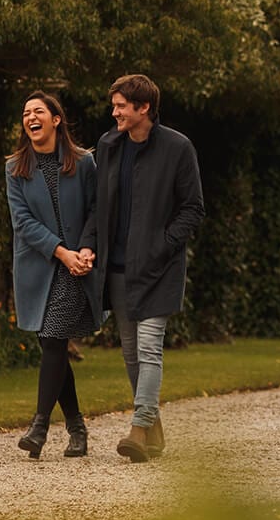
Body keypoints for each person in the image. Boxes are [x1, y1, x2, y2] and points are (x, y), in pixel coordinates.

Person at [78, 73, 204, 463]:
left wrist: (161, 246)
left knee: (150, 350)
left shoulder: (177, 148)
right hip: (116, 269)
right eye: (114, 105)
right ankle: (154, 429)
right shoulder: (109, 145)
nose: (113, 111)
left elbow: (193, 210)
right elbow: (100, 204)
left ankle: (138, 428)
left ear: (143, 107)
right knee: (131, 354)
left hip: (158, 269)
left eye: (120, 105)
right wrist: (88, 242)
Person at [5, 89, 103, 459]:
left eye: (38, 111)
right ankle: (76, 427)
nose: (30, 117)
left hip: (78, 267)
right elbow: (22, 222)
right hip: (40, 266)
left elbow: (97, 210)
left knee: (53, 339)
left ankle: (40, 426)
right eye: (25, 112)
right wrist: (61, 251)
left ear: (55, 119)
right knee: (53, 344)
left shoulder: (83, 162)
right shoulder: (15, 168)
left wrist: (86, 248)